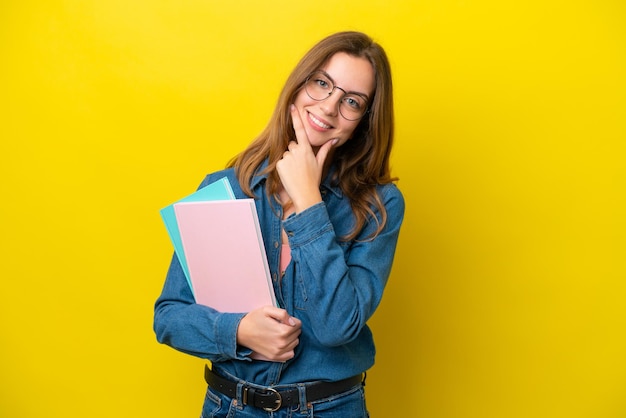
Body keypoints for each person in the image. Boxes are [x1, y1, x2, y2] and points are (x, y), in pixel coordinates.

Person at [154, 31, 404, 417]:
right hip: (230, 407)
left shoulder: (379, 207)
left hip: (330, 408)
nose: (329, 107)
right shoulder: (225, 189)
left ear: (363, 121)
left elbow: (337, 326)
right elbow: (169, 316)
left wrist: (308, 201)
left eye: (352, 101)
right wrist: (238, 332)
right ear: (299, 84)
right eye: (322, 83)